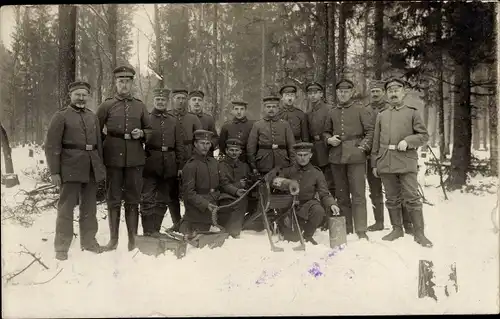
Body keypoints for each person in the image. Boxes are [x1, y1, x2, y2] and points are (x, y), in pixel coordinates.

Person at [45, 81, 106, 260]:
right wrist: (54, 172)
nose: (81, 98)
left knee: (89, 208)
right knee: (66, 208)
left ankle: (89, 241)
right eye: (77, 94)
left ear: (88, 96)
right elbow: (51, 146)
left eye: (84, 95)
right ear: (70, 95)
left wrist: (99, 167)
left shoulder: (92, 116)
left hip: (90, 168)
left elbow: (98, 145)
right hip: (69, 167)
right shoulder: (61, 116)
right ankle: (62, 246)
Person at [96, 65, 152, 251]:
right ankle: (113, 241)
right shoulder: (106, 105)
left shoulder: (140, 106)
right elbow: (96, 131)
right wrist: (105, 147)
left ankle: (132, 241)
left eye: (127, 82)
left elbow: (151, 130)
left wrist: (142, 133)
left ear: (132, 83)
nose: (124, 85)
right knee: (113, 199)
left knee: (133, 200)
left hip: (135, 159)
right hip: (113, 158)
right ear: (115, 83)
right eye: (121, 82)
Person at [371, 78, 433, 247]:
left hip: (406, 162)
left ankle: (419, 233)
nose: (393, 93)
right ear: (387, 94)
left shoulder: (412, 112)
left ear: (403, 92)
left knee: (412, 197)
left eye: (397, 90)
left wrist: (408, 140)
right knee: (391, 198)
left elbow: (424, 136)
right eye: (390, 91)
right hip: (386, 161)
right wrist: (375, 163)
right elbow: (376, 141)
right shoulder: (382, 115)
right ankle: (397, 229)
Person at [324, 78, 374, 240]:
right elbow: (326, 132)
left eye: (346, 91)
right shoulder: (332, 112)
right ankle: (346, 227)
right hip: (337, 157)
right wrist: (329, 140)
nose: (343, 94)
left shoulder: (361, 110)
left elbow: (370, 132)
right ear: (337, 93)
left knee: (358, 194)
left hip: (356, 156)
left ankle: (361, 229)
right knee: (342, 194)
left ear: (352, 92)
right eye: (340, 91)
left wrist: (363, 148)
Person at [365, 80, 414, 233]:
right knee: (375, 190)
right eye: (372, 91)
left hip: (392, 156)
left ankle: (406, 224)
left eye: (378, 91)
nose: (375, 94)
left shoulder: (391, 108)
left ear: (383, 93)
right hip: (372, 155)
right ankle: (379, 222)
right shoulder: (364, 109)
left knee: (397, 191)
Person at [140, 88, 185, 236]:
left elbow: (179, 144)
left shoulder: (173, 120)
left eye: (163, 100)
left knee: (163, 199)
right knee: (147, 198)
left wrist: (179, 165)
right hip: (151, 162)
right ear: (153, 101)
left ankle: (156, 230)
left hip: (170, 164)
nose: (160, 102)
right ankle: (147, 230)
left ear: (167, 102)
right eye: (158, 100)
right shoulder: (146, 118)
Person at [277, 142, 340, 245]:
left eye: (305, 155)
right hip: (289, 208)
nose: (303, 158)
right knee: (293, 239)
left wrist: (332, 204)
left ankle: (308, 235)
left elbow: (324, 193)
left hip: (307, 206)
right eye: (300, 155)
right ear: (295, 155)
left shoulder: (316, 173)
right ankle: (290, 228)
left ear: (310, 155)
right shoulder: (287, 171)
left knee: (318, 210)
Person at [179, 130, 238, 234]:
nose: (205, 147)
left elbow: (223, 183)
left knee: (231, 206)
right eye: (202, 143)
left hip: (214, 202)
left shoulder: (214, 162)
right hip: (199, 207)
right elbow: (189, 194)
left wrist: (236, 191)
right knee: (201, 233)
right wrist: (206, 204)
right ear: (195, 144)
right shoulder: (190, 166)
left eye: (207, 143)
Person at [167, 89, 203, 231]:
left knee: (190, 191)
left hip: (189, 157)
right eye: (178, 98)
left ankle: (189, 222)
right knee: (172, 192)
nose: (180, 101)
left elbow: (200, 139)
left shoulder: (193, 118)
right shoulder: (167, 115)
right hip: (171, 157)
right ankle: (177, 222)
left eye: (183, 98)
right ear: (172, 99)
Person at [305, 82, 336, 210]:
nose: (312, 96)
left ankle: (330, 212)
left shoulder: (329, 109)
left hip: (326, 149)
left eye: (315, 93)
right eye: (310, 93)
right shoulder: (308, 112)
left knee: (328, 183)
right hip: (313, 149)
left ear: (321, 94)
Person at [247, 96, 296, 174]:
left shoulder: (285, 124)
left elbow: (291, 145)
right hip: (263, 163)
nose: (271, 109)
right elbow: (251, 147)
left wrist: (293, 164)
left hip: (282, 163)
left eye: (274, 107)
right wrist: (253, 165)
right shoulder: (257, 125)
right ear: (264, 108)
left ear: (278, 109)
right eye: (268, 107)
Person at [217, 138, 251, 238]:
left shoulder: (244, 166)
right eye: (231, 150)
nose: (234, 153)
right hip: (225, 196)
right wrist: (237, 188)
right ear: (226, 151)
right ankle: (233, 232)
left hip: (241, 194)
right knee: (237, 203)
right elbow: (223, 184)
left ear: (240, 151)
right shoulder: (221, 165)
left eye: (236, 150)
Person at [188, 90, 218, 157]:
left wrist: (210, 145)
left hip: (206, 155)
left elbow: (215, 137)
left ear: (203, 103)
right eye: (194, 100)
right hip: (189, 155)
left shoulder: (209, 119)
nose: (197, 102)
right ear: (189, 102)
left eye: (199, 100)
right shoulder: (185, 118)